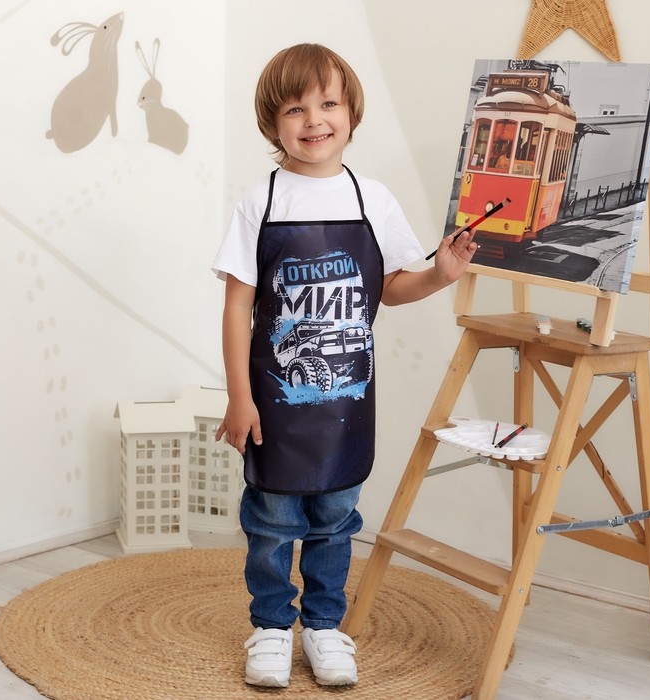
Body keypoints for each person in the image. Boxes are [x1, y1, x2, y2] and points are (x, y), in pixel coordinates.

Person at [212, 43, 476, 689]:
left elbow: (393, 287)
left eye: (328, 103)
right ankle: (271, 627)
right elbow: (237, 306)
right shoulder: (261, 202)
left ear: (351, 113)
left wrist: (441, 275)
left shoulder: (372, 199)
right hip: (274, 404)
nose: (314, 120)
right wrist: (239, 397)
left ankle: (325, 626)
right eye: (295, 109)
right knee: (272, 521)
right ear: (271, 123)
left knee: (336, 519)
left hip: (346, 406)